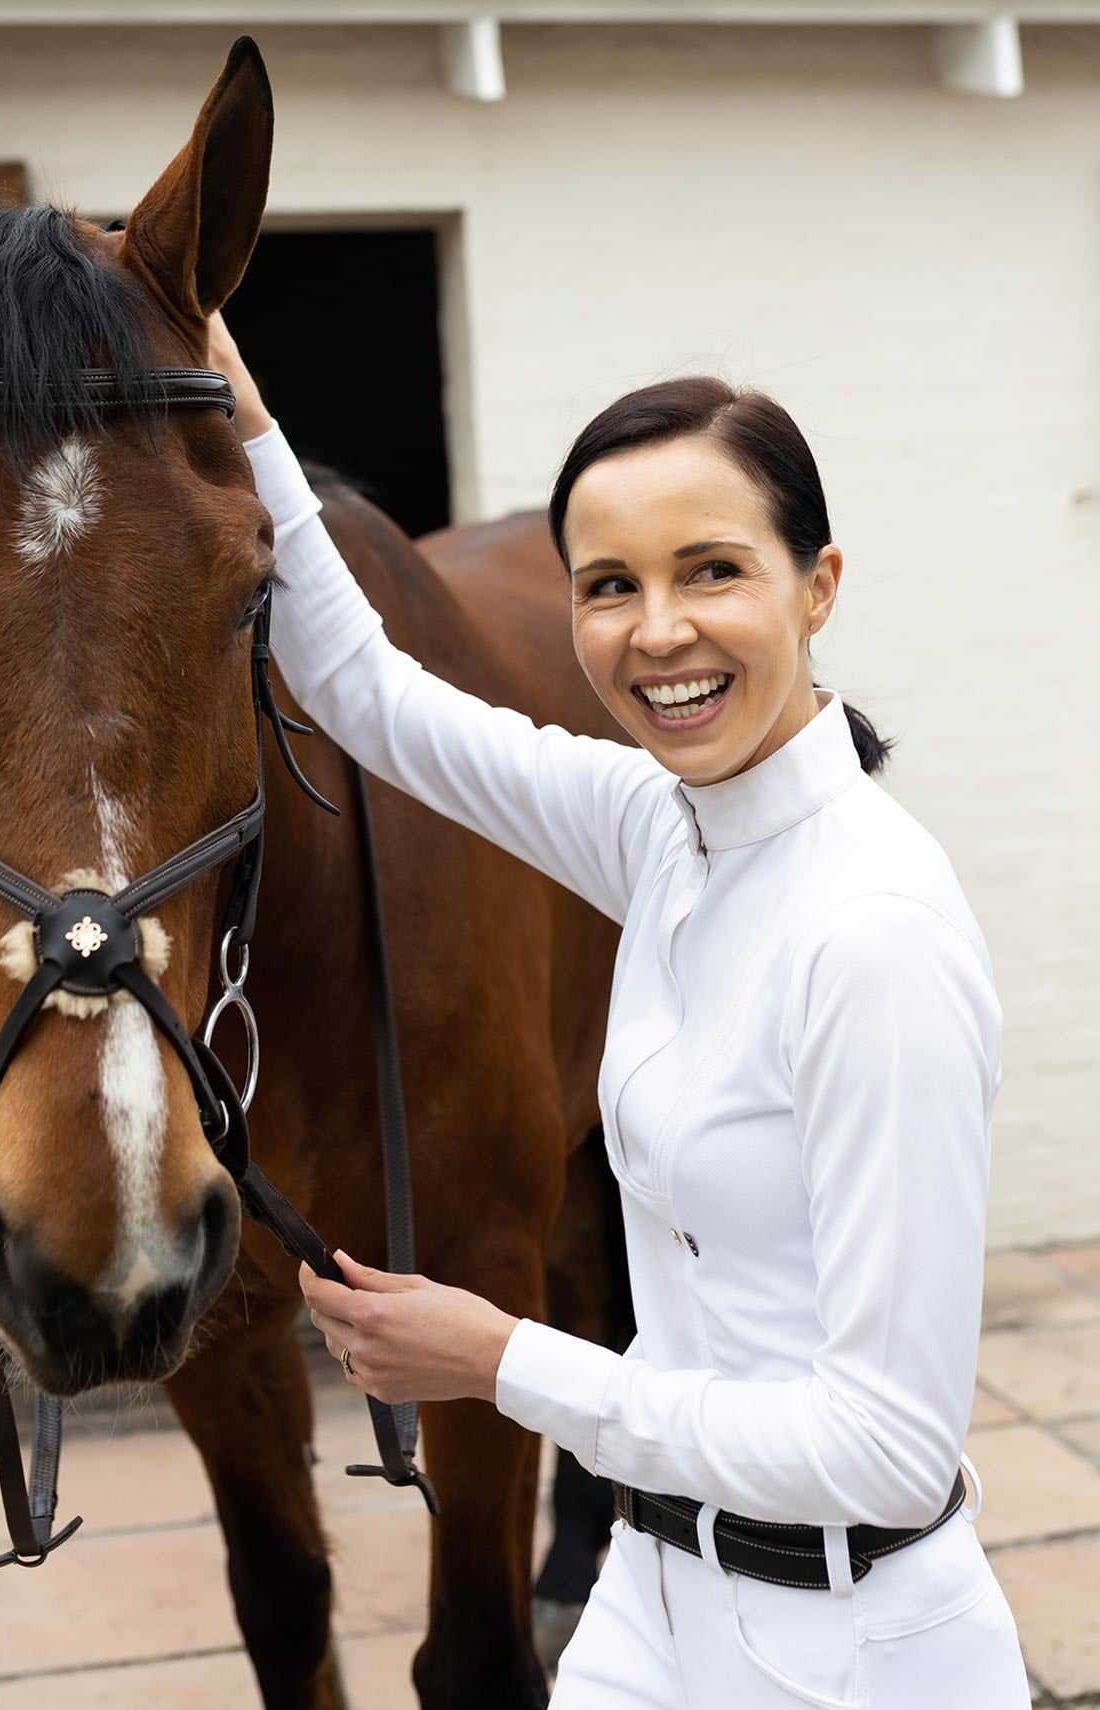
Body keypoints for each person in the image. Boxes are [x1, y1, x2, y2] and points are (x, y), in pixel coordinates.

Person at [207, 310, 1031, 1708]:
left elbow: (890, 1447)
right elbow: (371, 696)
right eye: (609, 584)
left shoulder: (873, 933)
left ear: (819, 583)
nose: (657, 633)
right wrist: (242, 413)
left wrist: (503, 1357)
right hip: (654, 1604)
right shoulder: (662, 827)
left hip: (847, 1645)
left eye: (712, 570)